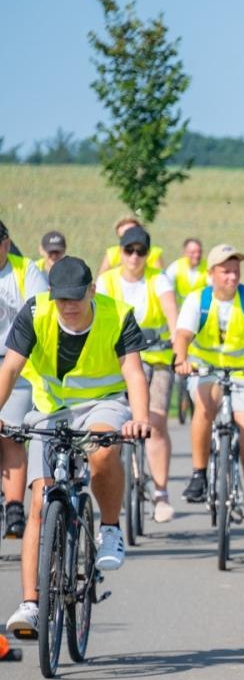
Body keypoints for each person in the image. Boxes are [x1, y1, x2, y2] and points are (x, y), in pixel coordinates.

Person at [0, 257, 151, 637]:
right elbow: (10, 369)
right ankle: (31, 604)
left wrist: (140, 418)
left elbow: (133, 371)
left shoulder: (117, 315)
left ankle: (111, 528)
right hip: (51, 408)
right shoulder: (36, 314)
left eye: (75, 299)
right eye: (61, 299)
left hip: (104, 403)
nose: (68, 306)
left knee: (102, 452)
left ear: (92, 292)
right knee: (39, 501)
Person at [172, 246, 244, 531]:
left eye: (236, 271)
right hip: (207, 369)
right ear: (211, 274)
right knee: (205, 407)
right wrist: (181, 360)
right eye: (225, 271)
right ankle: (198, 474)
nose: (232, 277)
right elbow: (182, 334)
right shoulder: (198, 299)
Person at [96, 225, 179, 523]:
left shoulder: (159, 279)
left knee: (155, 422)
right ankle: (116, 483)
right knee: (113, 426)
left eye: (140, 252)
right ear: (120, 252)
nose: (134, 257)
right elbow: (96, 316)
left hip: (155, 358)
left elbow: (172, 313)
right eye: (129, 251)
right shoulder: (106, 281)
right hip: (118, 362)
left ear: (147, 255)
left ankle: (160, 493)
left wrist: (177, 341)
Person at [0, 220, 50, 539]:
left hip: (15, 362)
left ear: (6, 243)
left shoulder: (24, 270)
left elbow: (42, 311)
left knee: (11, 434)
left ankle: (15, 507)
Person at [98, 216, 163, 273]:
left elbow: (159, 277)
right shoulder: (112, 253)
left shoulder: (154, 253)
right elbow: (101, 279)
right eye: (123, 237)